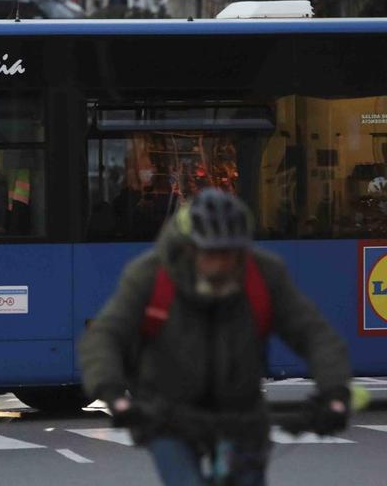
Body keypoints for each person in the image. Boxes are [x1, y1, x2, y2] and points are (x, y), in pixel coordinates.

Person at [79, 189, 351, 486]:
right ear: (189, 248)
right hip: (168, 414)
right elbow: (105, 335)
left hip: (240, 414)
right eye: (210, 253)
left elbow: (313, 333)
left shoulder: (263, 273)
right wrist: (113, 394)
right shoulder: (150, 275)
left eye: (229, 253)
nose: (220, 264)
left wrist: (335, 394)